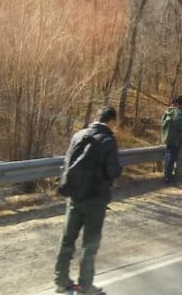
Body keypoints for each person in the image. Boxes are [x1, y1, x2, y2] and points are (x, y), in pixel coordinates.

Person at [54, 106, 122, 295]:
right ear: (111, 120)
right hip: (96, 200)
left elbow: (67, 163)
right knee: (89, 244)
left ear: (96, 118)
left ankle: (61, 280)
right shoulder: (108, 140)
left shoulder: (79, 135)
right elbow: (113, 170)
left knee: (67, 240)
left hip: (75, 197)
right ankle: (85, 285)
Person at [161, 96, 182, 183]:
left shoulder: (168, 111)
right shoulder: (178, 112)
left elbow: (162, 120)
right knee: (171, 157)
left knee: (168, 156)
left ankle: (167, 174)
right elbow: (179, 122)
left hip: (167, 137)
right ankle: (168, 177)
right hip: (175, 138)